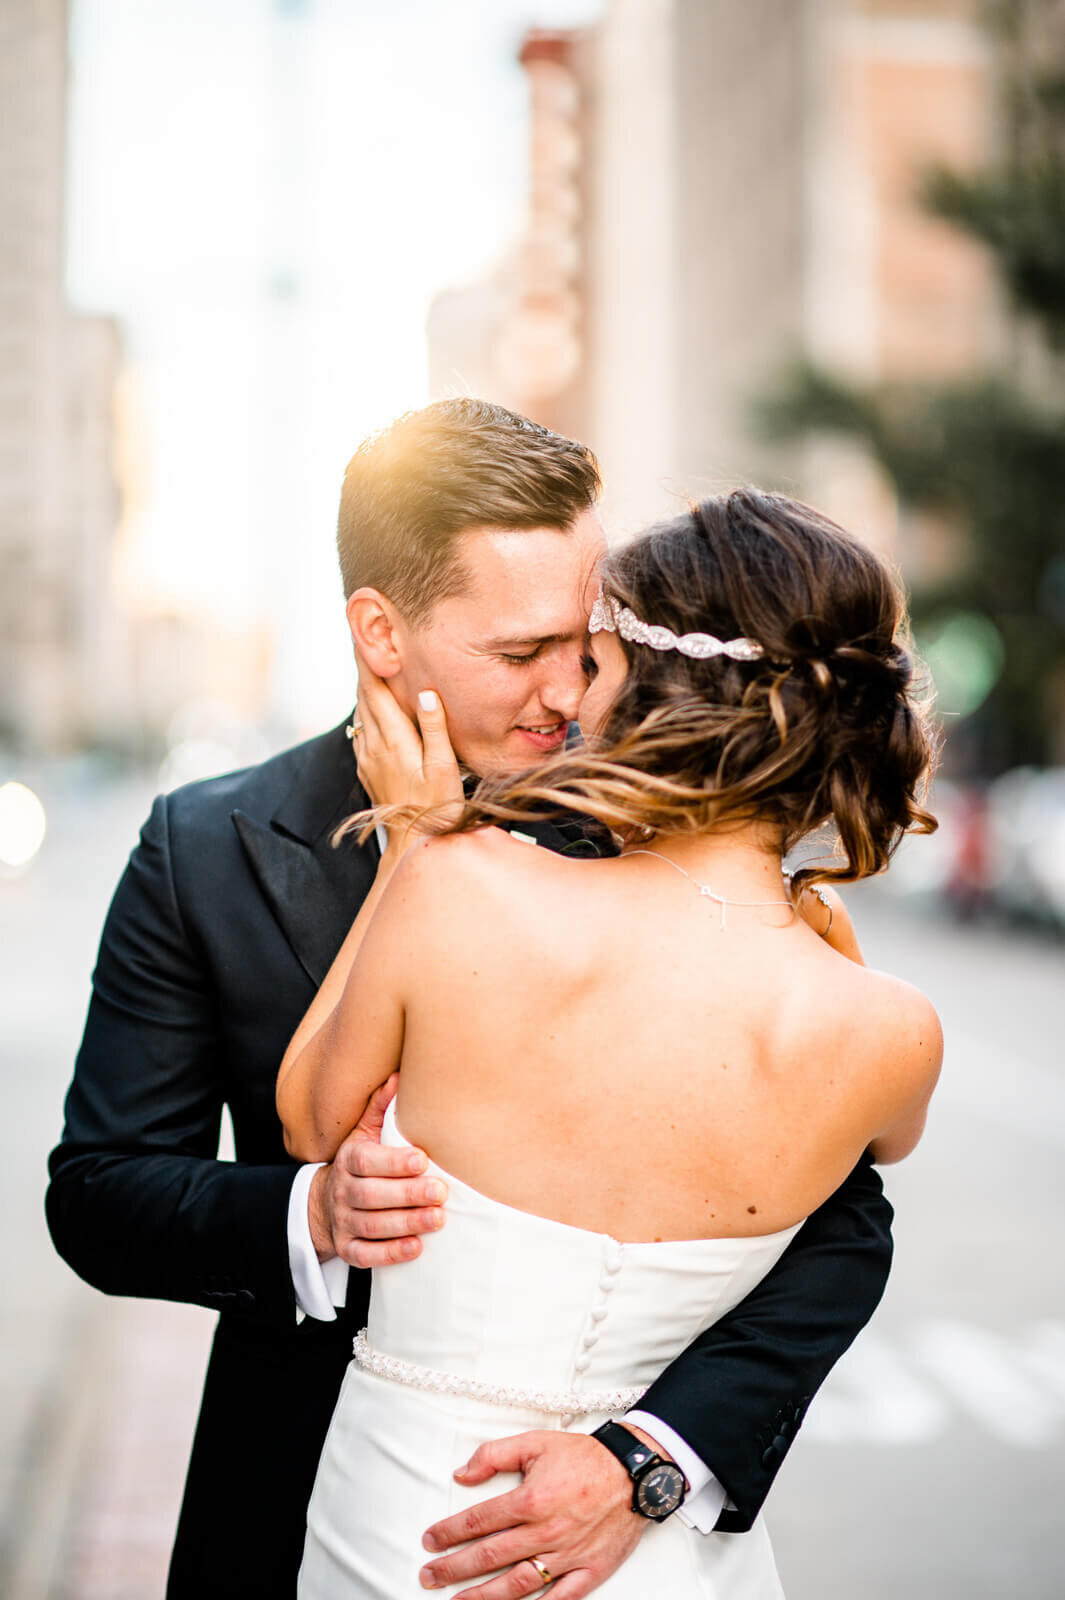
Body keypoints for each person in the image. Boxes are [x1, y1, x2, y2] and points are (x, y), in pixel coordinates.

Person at [47, 401, 894, 1599]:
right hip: (288, 1502)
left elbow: (843, 1225)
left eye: (590, 637)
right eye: (518, 652)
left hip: (618, 1533)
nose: (574, 691)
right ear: (379, 633)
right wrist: (309, 1215)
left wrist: (651, 1462)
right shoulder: (203, 846)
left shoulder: (675, 843)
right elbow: (98, 1191)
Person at [278, 485, 942, 1599]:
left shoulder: (459, 886)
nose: (571, 696)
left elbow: (310, 1118)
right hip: (669, 1557)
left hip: (418, 1520)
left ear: (653, 690)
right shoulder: (886, 1027)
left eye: (592, 659)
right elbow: (849, 1200)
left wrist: (414, 844)